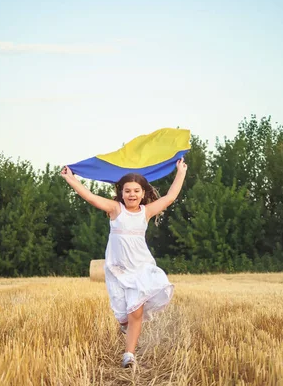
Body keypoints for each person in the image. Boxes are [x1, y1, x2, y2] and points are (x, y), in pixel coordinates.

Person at [60, 158, 187, 368]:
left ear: (143, 193)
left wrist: (180, 171)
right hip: (117, 269)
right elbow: (90, 197)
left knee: (135, 311)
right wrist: (71, 179)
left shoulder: (146, 212)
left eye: (136, 191)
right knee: (123, 315)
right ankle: (124, 324)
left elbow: (170, 197)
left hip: (140, 268)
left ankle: (129, 355)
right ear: (122, 193)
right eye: (128, 191)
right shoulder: (115, 210)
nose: (132, 195)